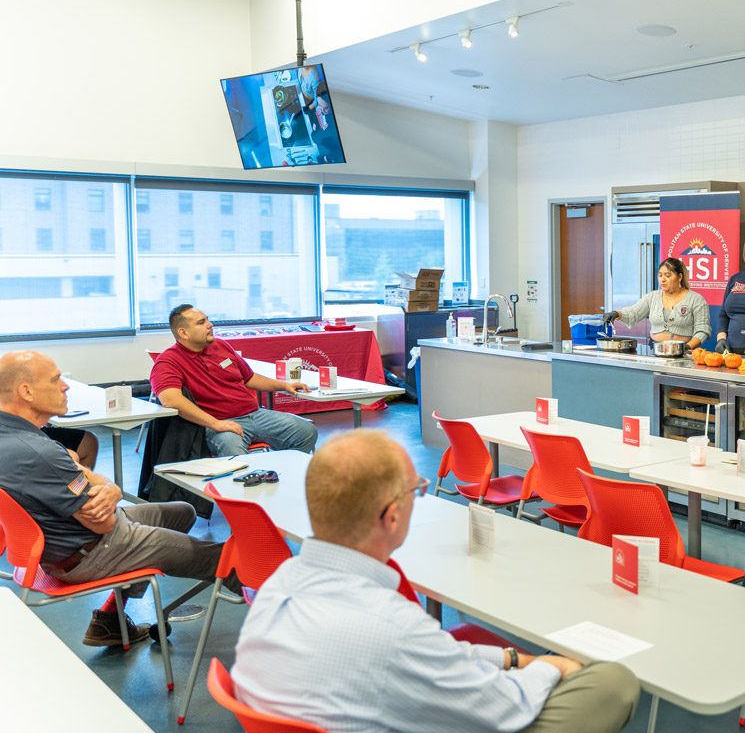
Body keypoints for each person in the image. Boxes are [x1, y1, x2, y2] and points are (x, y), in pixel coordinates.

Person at [233, 429, 641, 733]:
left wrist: (516, 659)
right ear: (391, 516)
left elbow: (430, 656)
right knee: (612, 682)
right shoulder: (389, 626)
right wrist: (550, 667)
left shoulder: (281, 583)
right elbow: (507, 706)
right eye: (417, 490)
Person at [0, 351, 236, 646]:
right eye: (56, 379)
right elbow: (103, 523)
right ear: (26, 391)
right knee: (230, 558)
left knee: (183, 513)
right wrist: (92, 481)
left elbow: (80, 475)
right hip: (95, 549)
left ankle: (110, 619)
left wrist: (107, 487)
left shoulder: (15, 433)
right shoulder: (39, 453)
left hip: (59, 548)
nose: (65, 386)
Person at [150, 304, 318, 457]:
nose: (210, 325)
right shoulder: (168, 361)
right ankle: (243, 487)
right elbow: (171, 400)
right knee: (232, 448)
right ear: (183, 333)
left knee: (306, 432)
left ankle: (279, 475)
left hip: (255, 414)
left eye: (208, 320)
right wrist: (216, 424)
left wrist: (284, 385)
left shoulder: (221, 346)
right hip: (217, 422)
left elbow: (250, 378)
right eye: (201, 322)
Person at [602, 257, 711, 348]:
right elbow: (633, 313)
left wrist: (687, 348)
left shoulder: (696, 299)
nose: (663, 279)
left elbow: (703, 330)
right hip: (655, 350)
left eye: (668, 276)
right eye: (660, 275)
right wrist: (617, 314)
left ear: (680, 277)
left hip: (685, 351)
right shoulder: (652, 297)